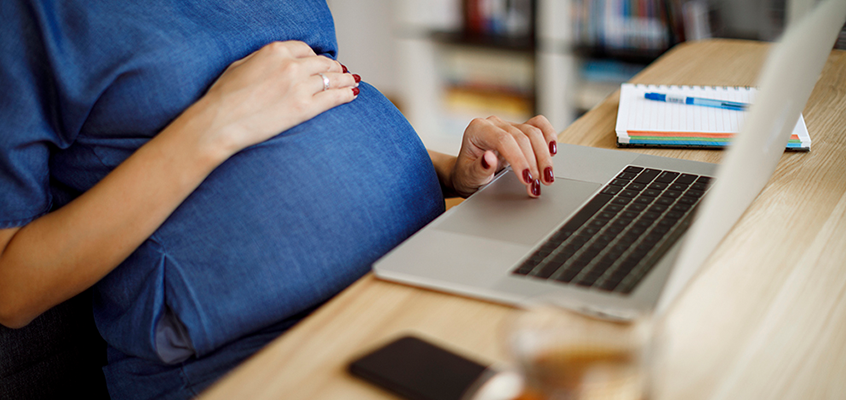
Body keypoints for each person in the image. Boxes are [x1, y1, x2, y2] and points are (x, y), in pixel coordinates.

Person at [0, 1, 557, 399]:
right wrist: (214, 123)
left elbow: (311, 111)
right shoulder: (28, 19)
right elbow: (12, 286)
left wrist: (451, 172)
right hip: (264, 351)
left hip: (417, 273)